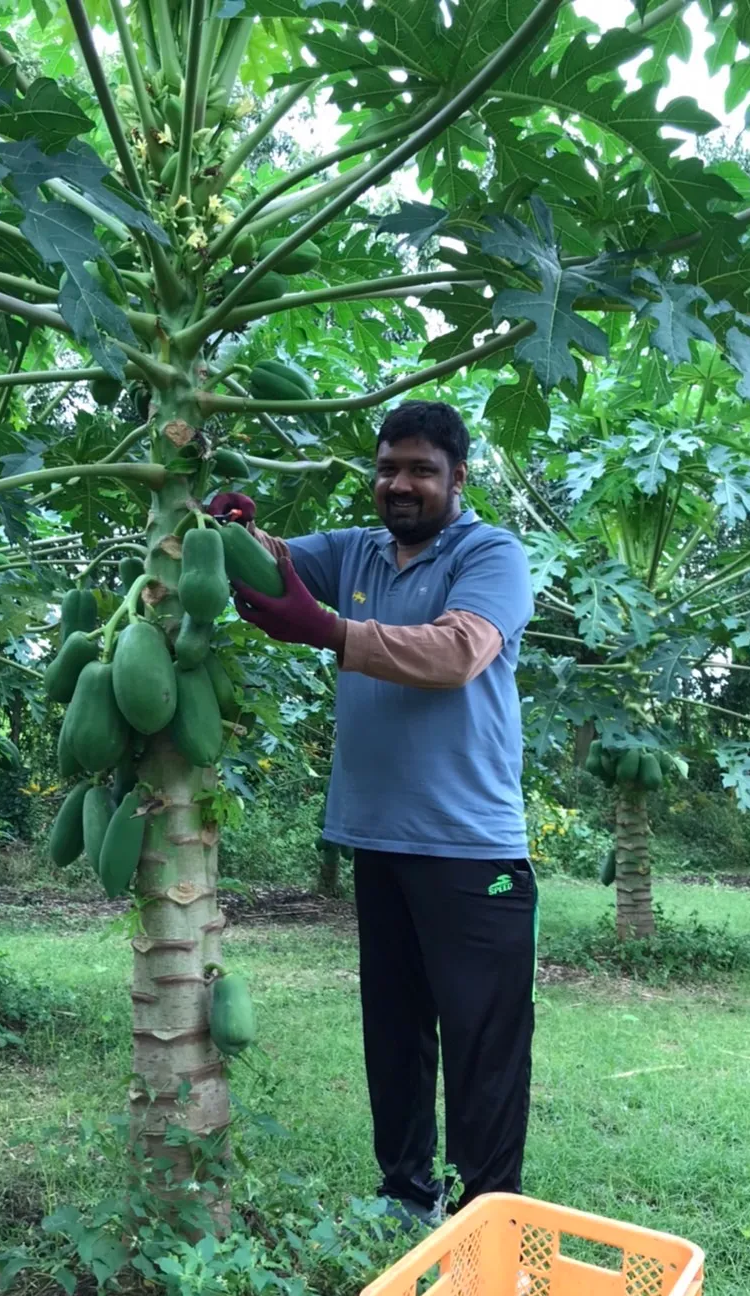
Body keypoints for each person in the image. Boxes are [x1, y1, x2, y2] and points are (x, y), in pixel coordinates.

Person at [210, 400, 535, 1225]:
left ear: (458, 478)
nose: (400, 484)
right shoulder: (356, 552)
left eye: (421, 470)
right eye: (389, 467)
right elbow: (273, 561)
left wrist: (326, 629)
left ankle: (486, 1217)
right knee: (394, 1035)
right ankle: (404, 1194)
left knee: (481, 1044)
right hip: (379, 840)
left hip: (471, 851)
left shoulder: (490, 553)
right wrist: (227, 525)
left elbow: (460, 650)